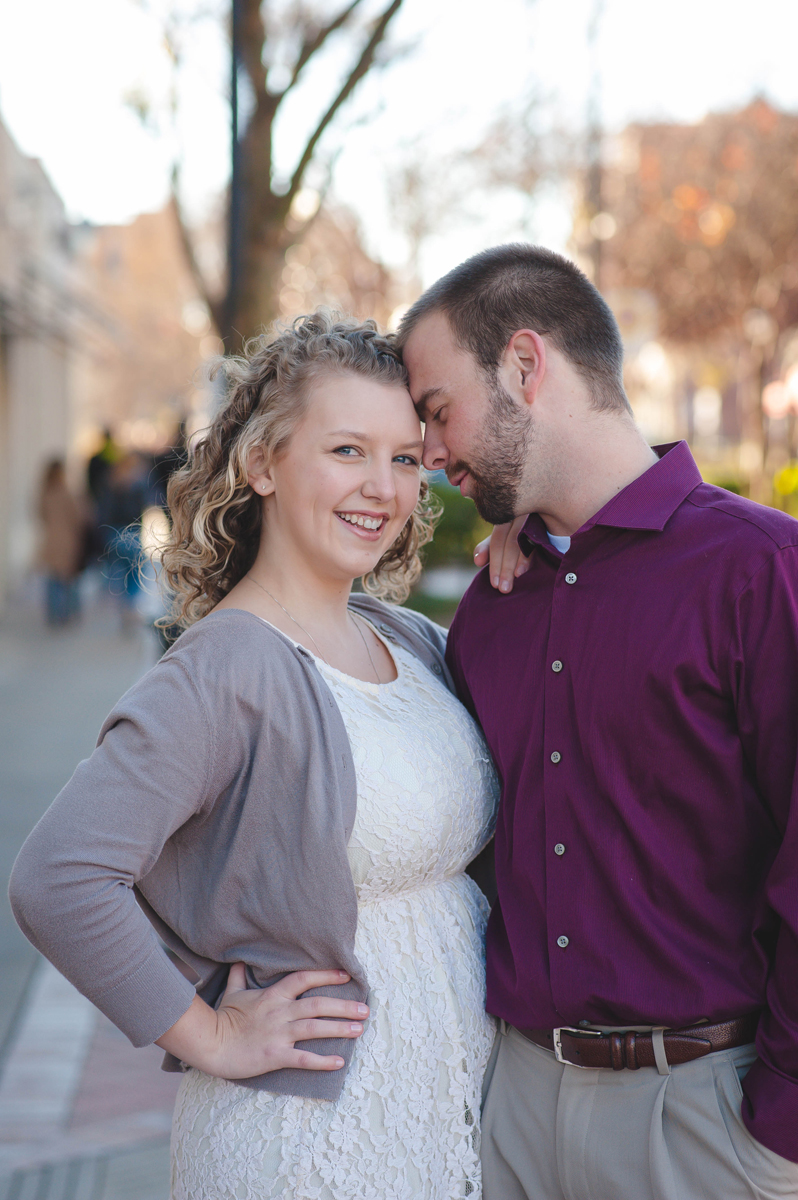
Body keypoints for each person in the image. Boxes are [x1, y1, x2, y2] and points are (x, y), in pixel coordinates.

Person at [10, 312, 499, 1200]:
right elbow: (58, 876)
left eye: (402, 457)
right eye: (346, 449)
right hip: (310, 1144)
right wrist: (210, 1035)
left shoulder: (412, 641)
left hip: (445, 1114)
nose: (382, 487)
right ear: (263, 464)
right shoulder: (225, 666)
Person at [398, 244, 798, 1200]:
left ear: (525, 367)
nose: (429, 454)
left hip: (703, 1120)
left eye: (436, 410)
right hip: (515, 1111)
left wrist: (779, 1126)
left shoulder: (762, 572)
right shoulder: (493, 609)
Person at [37, 459, 86, 626]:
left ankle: (53, 614)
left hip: (51, 540)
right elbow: (77, 517)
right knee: (68, 581)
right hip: (67, 541)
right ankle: (66, 614)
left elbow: (41, 514)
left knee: (52, 580)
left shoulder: (45, 493)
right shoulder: (67, 493)